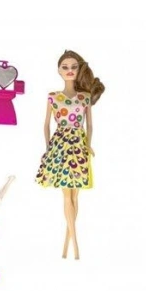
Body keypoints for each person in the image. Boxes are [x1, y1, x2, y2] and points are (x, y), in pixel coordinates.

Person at [36, 50, 105, 260]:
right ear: (59, 70)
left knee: (75, 195)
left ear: (79, 69)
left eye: (73, 67)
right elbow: (46, 125)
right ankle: (75, 246)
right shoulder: (53, 97)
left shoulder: (85, 97)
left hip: (79, 147)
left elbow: (89, 125)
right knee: (67, 195)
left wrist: (88, 144)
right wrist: (48, 147)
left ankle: (68, 245)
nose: (69, 70)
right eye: (65, 67)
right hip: (60, 146)